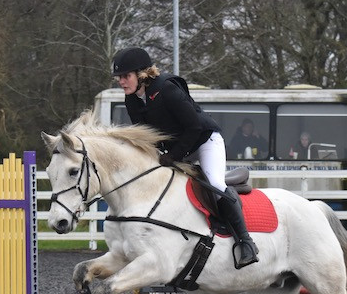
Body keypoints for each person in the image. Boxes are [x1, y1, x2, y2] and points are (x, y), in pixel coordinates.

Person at [111, 47, 258, 268]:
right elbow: (145, 134)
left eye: (125, 76)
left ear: (141, 74)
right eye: (119, 78)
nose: (121, 81)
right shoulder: (132, 99)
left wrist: (174, 156)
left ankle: (246, 242)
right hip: (178, 149)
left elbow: (194, 127)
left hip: (204, 141)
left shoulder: (167, 90)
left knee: (215, 185)